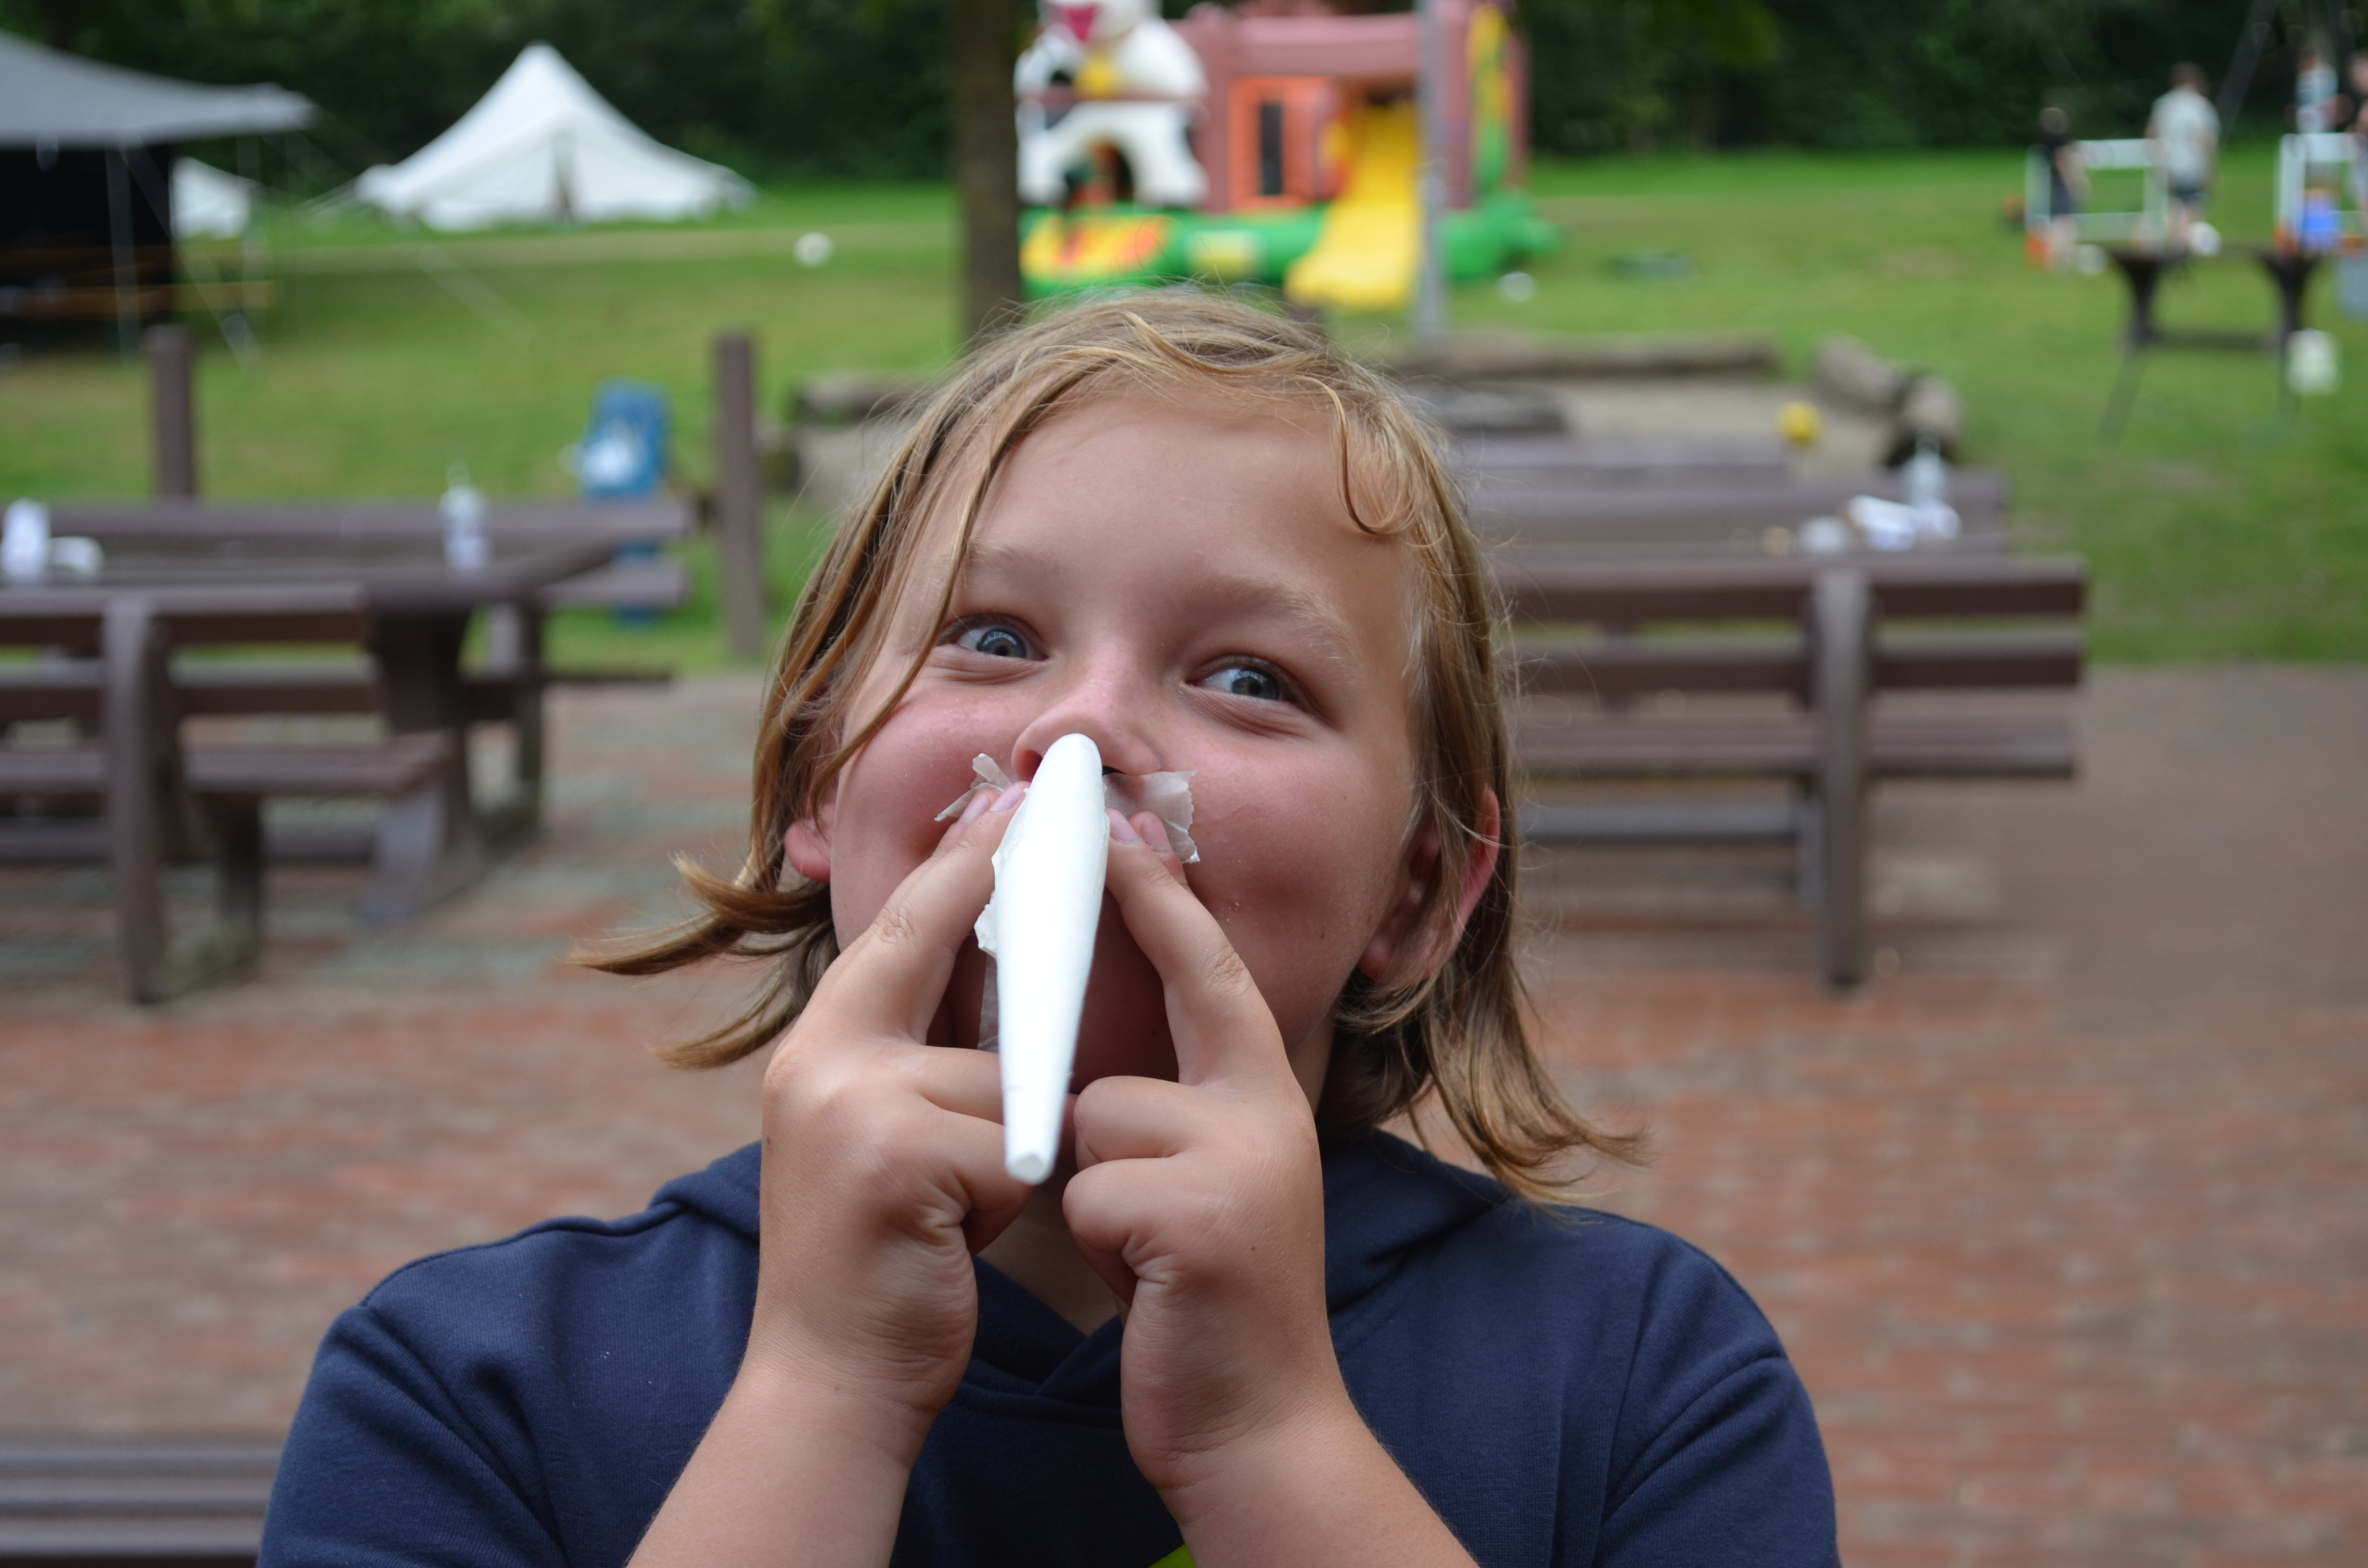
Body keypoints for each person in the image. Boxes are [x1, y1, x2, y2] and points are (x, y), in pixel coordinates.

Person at [257, 294, 1840, 1568]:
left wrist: (1268, 1442)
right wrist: (823, 1395)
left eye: (1247, 680)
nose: (1078, 736)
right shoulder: (469, 1391)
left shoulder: (1640, 1381)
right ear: (819, 784)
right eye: (995, 637)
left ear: (1418, 889)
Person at [2148, 63, 2220, 249]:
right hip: (2193, 165)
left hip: (2168, 165)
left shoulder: (2164, 104)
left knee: (2172, 207)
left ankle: (2172, 244)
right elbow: (2208, 140)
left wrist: (2157, 164)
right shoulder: (2201, 106)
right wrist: (2210, 169)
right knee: (2193, 206)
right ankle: (2184, 246)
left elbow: (2153, 135)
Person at [2036, 104, 2086, 269]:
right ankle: (2064, 256)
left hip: (2053, 182)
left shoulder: (2046, 140)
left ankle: (2056, 256)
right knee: (2067, 220)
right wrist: (2072, 182)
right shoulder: (2060, 140)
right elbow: (2062, 160)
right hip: (2063, 181)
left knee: (2059, 217)